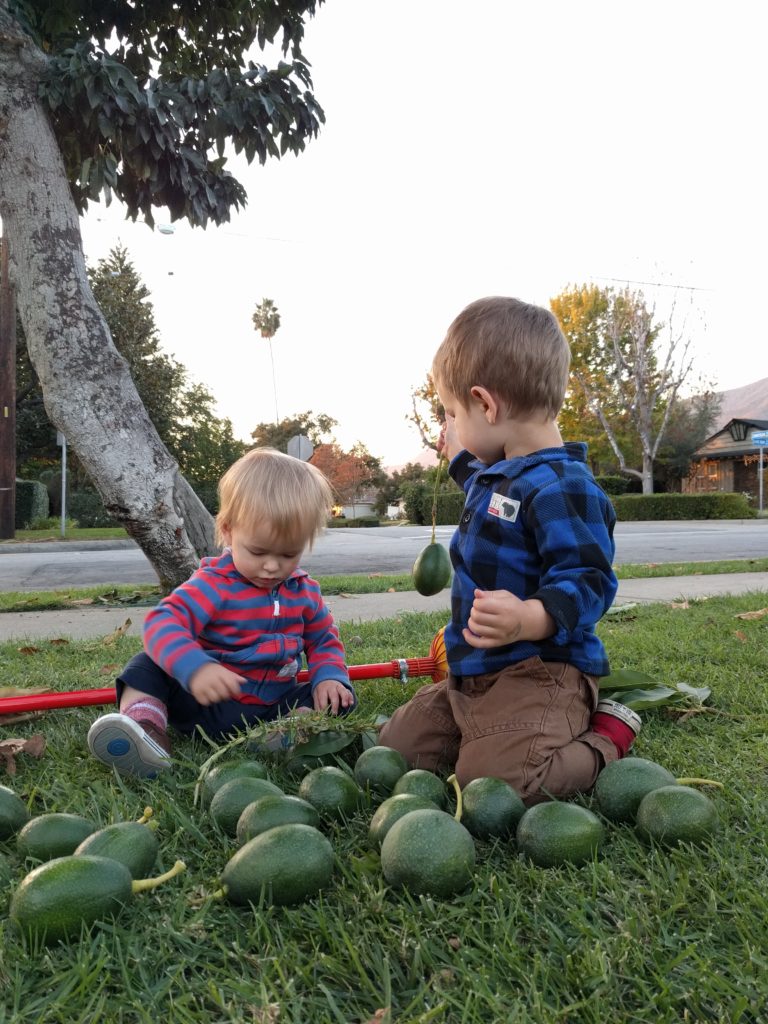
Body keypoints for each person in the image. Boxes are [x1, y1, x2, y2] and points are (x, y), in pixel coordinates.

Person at [379, 296, 640, 804]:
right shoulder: (501, 474)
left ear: (487, 404)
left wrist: (531, 616)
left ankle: (609, 733)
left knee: (498, 786)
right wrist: (456, 451)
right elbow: (478, 481)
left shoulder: (565, 487)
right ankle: (481, 730)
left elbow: (589, 581)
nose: (450, 424)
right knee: (396, 750)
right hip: (474, 674)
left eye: (453, 412)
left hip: (540, 672)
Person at [88, 447, 355, 777]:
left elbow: (323, 640)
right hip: (204, 702)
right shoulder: (213, 585)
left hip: (273, 707)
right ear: (228, 531)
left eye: (288, 554)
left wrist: (329, 676)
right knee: (146, 665)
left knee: (340, 697)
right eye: (257, 551)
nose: (272, 566)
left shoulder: (304, 592)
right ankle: (146, 727)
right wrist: (195, 668)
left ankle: (289, 732)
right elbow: (162, 622)